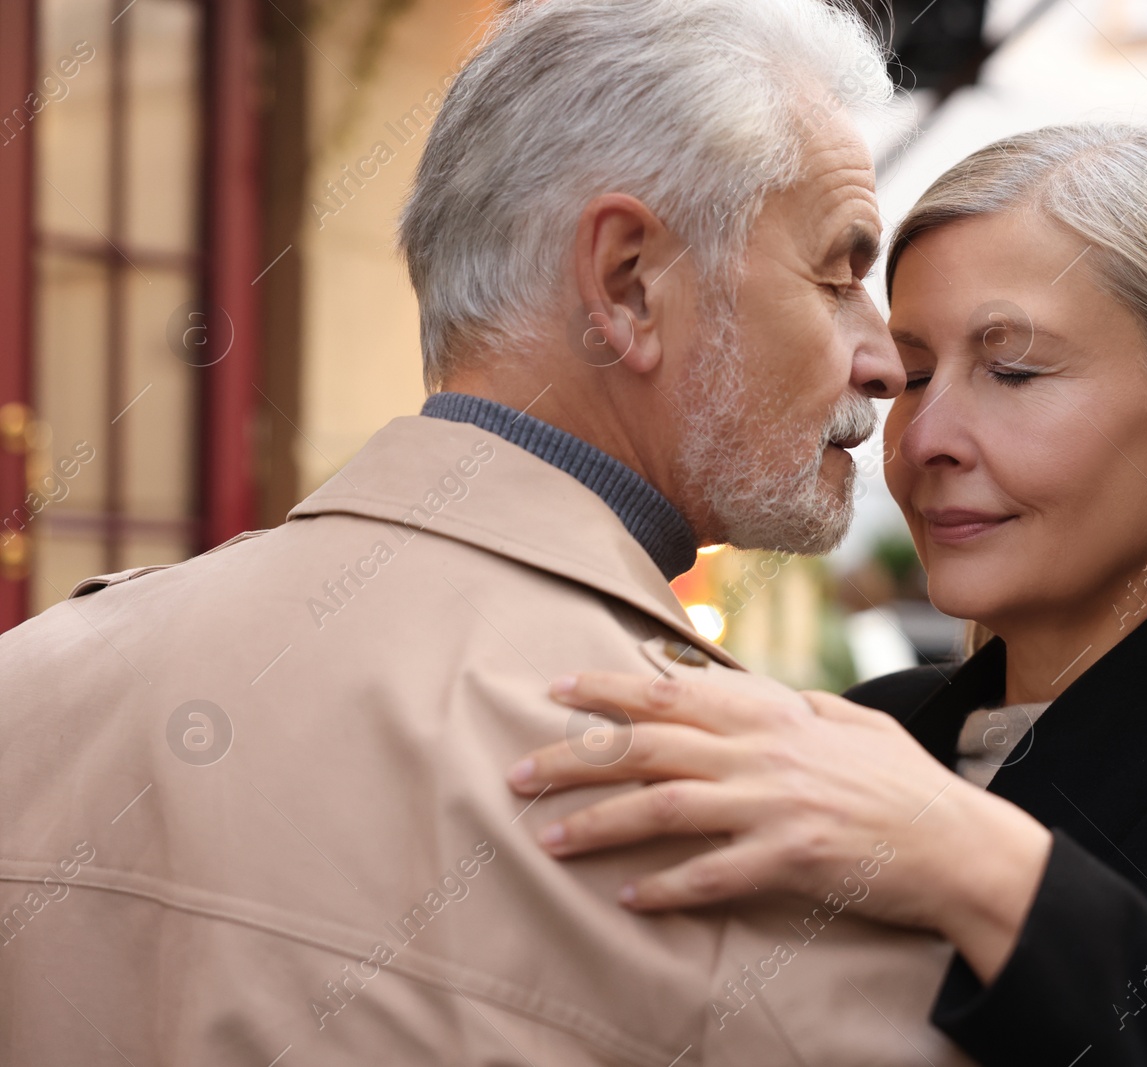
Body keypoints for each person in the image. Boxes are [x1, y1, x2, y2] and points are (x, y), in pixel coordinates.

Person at [0, 2, 977, 1063]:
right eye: (838, 273)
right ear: (628, 281)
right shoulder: (717, 798)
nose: (882, 360)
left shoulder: (39, 676)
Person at [505, 123, 1147, 1066]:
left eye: (1013, 370)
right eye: (909, 375)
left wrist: (991, 870)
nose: (925, 439)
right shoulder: (864, 736)